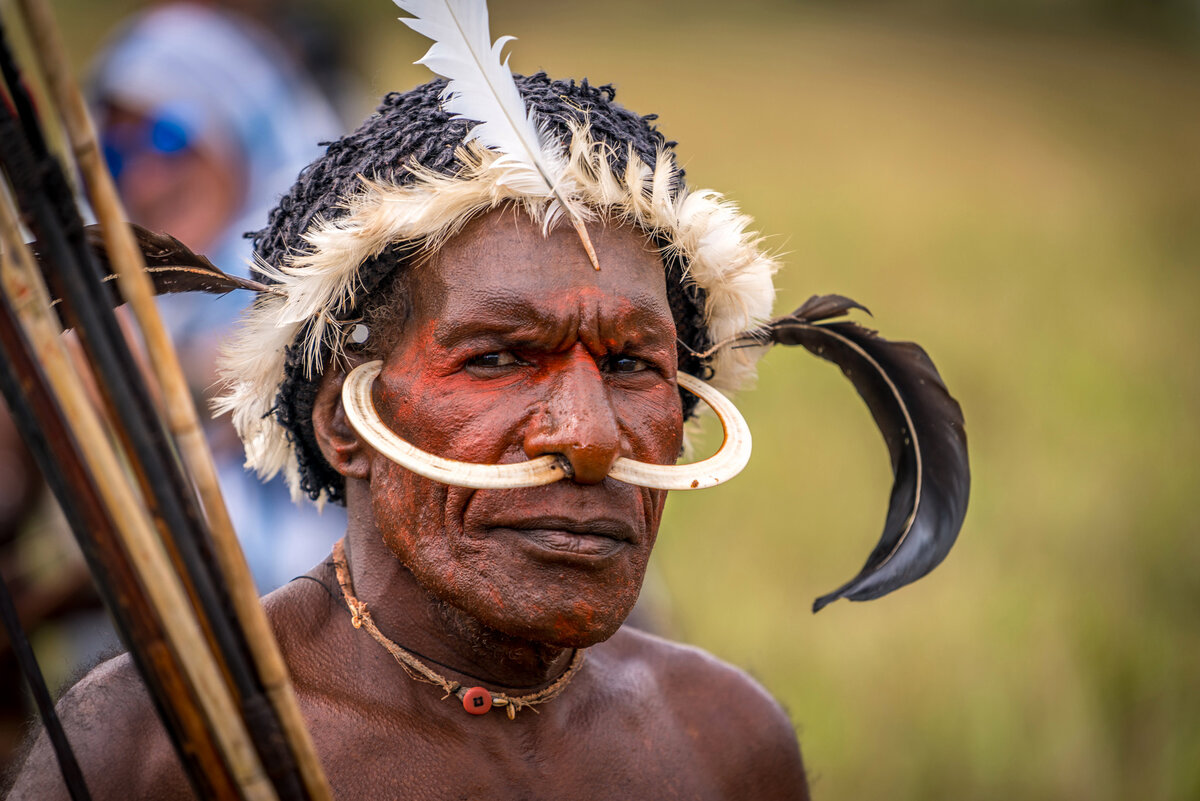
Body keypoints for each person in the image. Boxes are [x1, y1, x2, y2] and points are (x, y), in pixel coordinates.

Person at [6, 71, 810, 799]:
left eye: (633, 364)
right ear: (343, 420)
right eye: (498, 357)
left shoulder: (725, 743)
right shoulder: (156, 749)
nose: (593, 437)